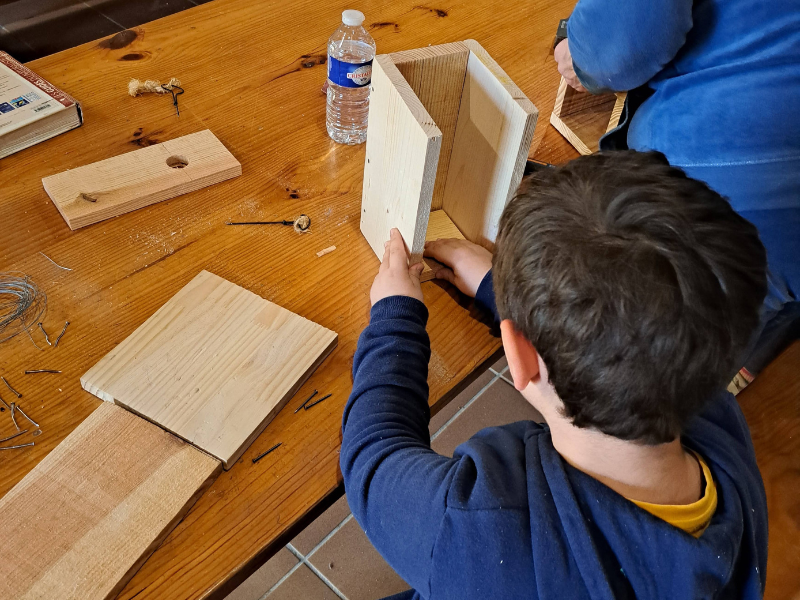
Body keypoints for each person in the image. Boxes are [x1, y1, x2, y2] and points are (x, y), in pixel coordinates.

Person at [341, 151, 768, 599]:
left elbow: (374, 458)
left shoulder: (480, 527)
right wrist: (512, 296)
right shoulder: (720, 428)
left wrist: (395, 316)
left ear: (521, 359)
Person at [553, 0, 800, 389]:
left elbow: (631, 33)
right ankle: (730, 372)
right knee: (755, 303)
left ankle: (648, 401)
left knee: (660, 329)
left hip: (727, 171)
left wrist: (581, 53)